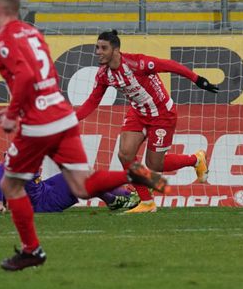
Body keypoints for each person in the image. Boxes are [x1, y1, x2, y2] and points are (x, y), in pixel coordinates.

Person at [0, 0, 167, 271]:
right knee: (81, 184)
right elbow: (46, 72)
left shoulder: (0, 42)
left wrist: (13, 112)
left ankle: (32, 250)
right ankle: (136, 174)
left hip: (38, 118)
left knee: (9, 182)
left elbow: (23, 76)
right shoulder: (32, 33)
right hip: (61, 112)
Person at [73, 29, 218, 214]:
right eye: (97, 47)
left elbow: (169, 65)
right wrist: (71, 119)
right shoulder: (103, 75)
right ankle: (147, 202)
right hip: (138, 113)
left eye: (103, 48)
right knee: (125, 154)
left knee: (155, 164)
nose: (98, 52)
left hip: (162, 114)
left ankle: (196, 159)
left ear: (116, 50)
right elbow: (93, 101)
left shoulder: (137, 63)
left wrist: (197, 79)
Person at [0, 163, 136, 215]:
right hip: (41, 203)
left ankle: (130, 196)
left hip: (43, 188)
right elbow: (1, 168)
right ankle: (114, 200)